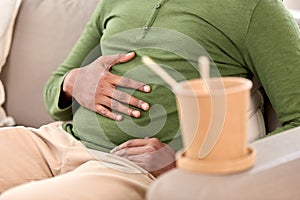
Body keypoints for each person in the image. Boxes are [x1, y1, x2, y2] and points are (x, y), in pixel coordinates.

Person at [1, 0, 300, 199]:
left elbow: (297, 125)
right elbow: (55, 86)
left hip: (131, 169)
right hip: (55, 142)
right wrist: (74, 82)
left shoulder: (255, 8)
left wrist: (183, 166)